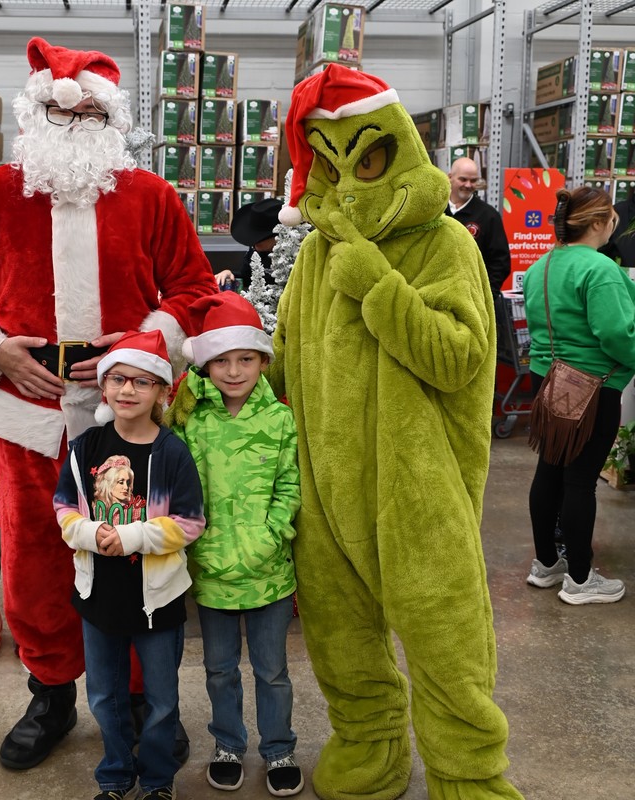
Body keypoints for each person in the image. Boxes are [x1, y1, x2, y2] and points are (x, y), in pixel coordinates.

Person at [0, 37, 218, 770]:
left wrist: (140, 348)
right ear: (35, 116)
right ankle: (51, 690)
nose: (78, 124)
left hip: (120, 408)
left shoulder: (151, 196)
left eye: (93, 112)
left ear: (113, 118)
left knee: (124, 549)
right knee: (34, 551)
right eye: (64, 113)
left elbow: (193, 288)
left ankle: (134, 697)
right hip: (26, 409)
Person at [270, 65, 523, 800]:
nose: (348, 185)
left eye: (368, 159)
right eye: (330, 163)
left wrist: (377, 284)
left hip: (419, 488)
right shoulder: (314, 257)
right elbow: (284, 361)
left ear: (402, 152)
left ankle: (468, 772)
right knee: (340, 638)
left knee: (445, 640)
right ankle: (370, 743)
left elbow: (460, 357)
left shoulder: (447, 245)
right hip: (324, 491)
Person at [54, 330, 205, 800]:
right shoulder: (85, 449)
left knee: (161, 700)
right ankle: (116, 775)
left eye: (141, 382)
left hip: (156, 599)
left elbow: (191, 523)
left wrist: (130, 536)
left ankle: (158, 782)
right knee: (104, 695)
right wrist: (91, 535)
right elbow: (64, 510)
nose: (127, 390)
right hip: (99, 595)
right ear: (104, 387)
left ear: (162, 391)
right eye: (118, 379)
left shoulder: (172, 453)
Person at [166, 292, 303, 798]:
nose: (233, 371)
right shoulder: (191, 421)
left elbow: (290, 486)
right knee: (219, 669)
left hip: (269, 568)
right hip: (211, 570)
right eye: (220, 361)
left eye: (245, 358)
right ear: (204, 364)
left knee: (272, 671)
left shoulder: (281, 420)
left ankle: (279, 749)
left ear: (263, 361)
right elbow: (178, 486)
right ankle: (227, 744)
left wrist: (273, 533)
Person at [523, 186, 635, 605]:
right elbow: (615, 334)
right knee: (581, 481)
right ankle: (581, 580)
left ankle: (546, 565)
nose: (614, 224)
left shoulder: (541, 267)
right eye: (610, 219)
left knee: (550, 469)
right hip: (592, 387)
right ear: (595, 222)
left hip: (548, 382)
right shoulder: (601, 269)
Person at [445, 156, 511, 296]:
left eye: (473, 180)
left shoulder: (488, 216)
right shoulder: (436, 211)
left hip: (473, 298)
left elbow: (500, 262)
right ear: (450, 177)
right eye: (463, 179)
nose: (468, 185)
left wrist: (487, 295)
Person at [214, 198, 283, 291]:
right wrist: (230, 274)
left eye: (257, 240)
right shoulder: (255, 251)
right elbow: (246, 277)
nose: (253, 244)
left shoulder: (295, 253)